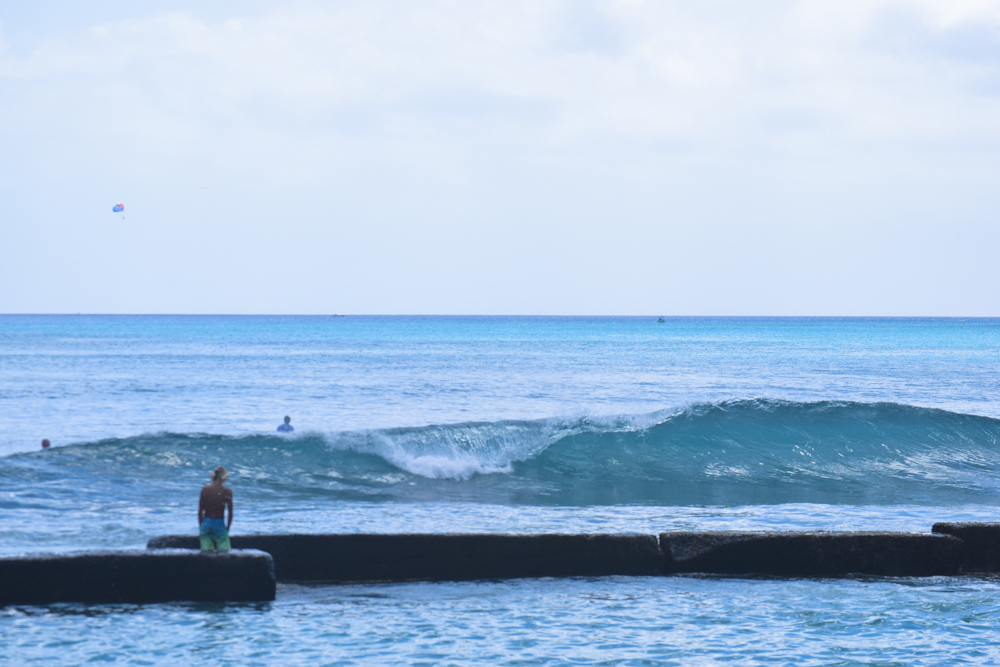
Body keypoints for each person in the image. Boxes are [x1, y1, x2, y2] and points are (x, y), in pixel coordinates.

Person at [198, 466, 233, 552]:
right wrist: (227, 528)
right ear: (224, 478)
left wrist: (201, 527)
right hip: (219, 523)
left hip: (206, 523)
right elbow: (230, 513)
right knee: (224, 551)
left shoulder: (205, 489)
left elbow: (200, 511)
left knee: (205, 552)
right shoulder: (227, 491)